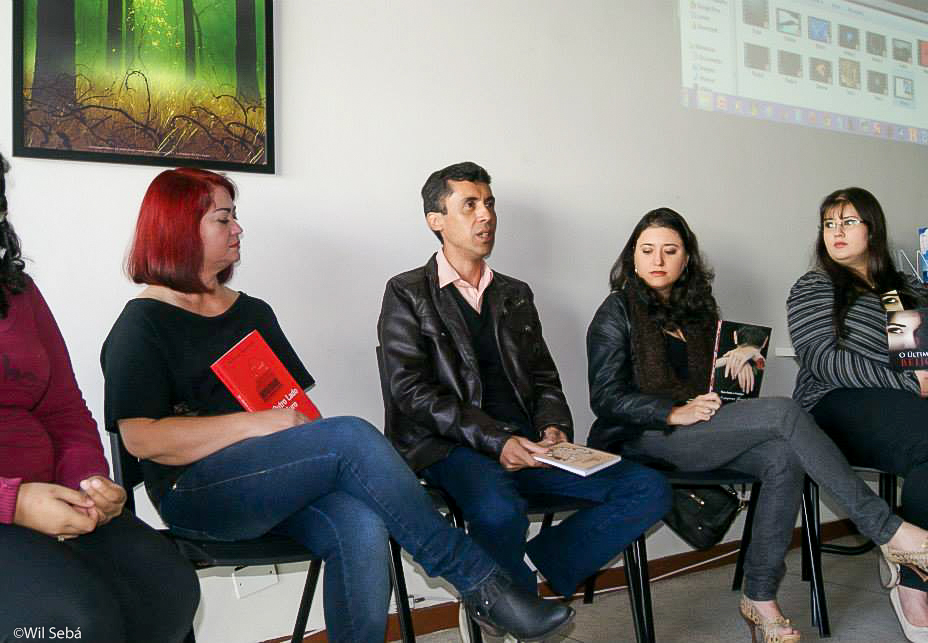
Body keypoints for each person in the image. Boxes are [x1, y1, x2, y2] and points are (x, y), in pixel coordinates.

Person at [99, 167, 573, 643]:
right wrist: (252, 425)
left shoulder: (251, 312)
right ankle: (482, 585)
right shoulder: (143, 324)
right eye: (224, 220)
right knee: (349, 435)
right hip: (197, 494)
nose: (238, 229)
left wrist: (284, 427)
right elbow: (142, 438)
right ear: (180, 231)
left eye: (234, 217)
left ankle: (465, 597)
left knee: (361, 523)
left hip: (273, 486)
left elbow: (296, 414)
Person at [586, 207, 928, 643]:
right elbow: (606, 398)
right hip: (642, 435)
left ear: (687, 259)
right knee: (785, 413)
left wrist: (742, 357)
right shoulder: (616, 311)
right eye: (647, 250)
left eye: (670, 251)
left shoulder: (698, 312)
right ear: (632, 257)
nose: (658, 260)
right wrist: (670, 411)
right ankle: (889, 532)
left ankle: (759, 599)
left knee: (783, 457)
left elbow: (716, 388)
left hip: (699, 426)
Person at [377, 161, 672, 607]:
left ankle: (530, 574)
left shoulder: (514, 293)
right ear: (435, 221)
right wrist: (498, 441)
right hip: (450, 447)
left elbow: (542, 376)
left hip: (530, 444)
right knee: (498, 510)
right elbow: (412, 392)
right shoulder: (407, 292)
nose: (486, 216)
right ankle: (513, 609)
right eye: (470, 205)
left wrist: (553, 427)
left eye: (490, 204)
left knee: (647, 488)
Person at [0, 153, 200, 642]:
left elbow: (63, 408)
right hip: (12, 509)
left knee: (169, 590)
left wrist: (87, 479)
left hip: (55, 495)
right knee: (71, 626)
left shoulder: (18, 292)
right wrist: (13, 503)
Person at [788, 187, 928, 643]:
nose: (836, 233)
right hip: (833, 403)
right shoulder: (814, 286)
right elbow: (822, 361)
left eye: (848, 222)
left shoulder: (901, 290)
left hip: (903, 401)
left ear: (872, 229)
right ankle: (912, 585)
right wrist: (908, 383)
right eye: (829, 224)